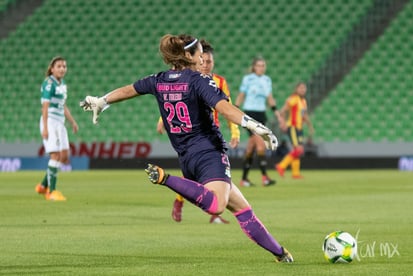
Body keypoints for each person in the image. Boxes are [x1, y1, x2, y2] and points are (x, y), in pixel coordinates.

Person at [80, 34, 293, 263]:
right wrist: (255, 126)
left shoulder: (158, 80)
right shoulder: (198, 80)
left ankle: (281, 254)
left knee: (243, 210)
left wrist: (102, 101)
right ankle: (165, 179)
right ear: (188, 56)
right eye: (200, 54)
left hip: (187, 160)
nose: (203, 58)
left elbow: (128, 90)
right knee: (217, 206)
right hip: (209, 154)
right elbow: (224, 108)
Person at [157, 39, 239, 224]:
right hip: (193, 137)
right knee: (198, 179)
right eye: (203, 59)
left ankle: (213, 214)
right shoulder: (188, 79)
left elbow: (228, 108)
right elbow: (175, 101)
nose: (206, 64)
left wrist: (235, 132)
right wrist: (162, 120)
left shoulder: (218, 81)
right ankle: (181, 202)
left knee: (211, 179)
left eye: (209, 61)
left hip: (211, 134)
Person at [235, 56, 283, 187]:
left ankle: (244, 179)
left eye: (263, 65)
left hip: (261, 114)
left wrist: (277, 114)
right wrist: (235, 111)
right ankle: (265, 177)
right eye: (259, 65)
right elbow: (241, 95)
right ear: (254, 67)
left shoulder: (267, 80)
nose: (261, 68)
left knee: (251, 147)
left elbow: (270, 98)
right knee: (261, 144)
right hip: (250, 114)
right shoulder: (248, 79)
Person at [35, 56, 79, 201]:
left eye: (64, 66)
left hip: (60, 122)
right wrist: (46, 127)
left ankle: (42, 185)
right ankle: (51, 192)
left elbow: (63, 105)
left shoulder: (62, 84)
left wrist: (72, 122)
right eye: (59, 66)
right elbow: (45, 106)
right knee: (55, 156)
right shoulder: (49, 83)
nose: (62, 69)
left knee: (64, 157)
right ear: (52, 68)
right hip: (51, 121)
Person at [275, 82, 314, 179]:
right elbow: (283, 110)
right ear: (296, 89)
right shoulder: (293, 99)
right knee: (299, 150)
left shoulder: (303, 101)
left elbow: (304, 115)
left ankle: (295, 173)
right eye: (300, 88)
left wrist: (310, 126)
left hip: (299, 128)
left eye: (304, 88)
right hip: (292, 127)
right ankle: (281, 166)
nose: (302, 90)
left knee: (298, 150)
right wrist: (283, 123)